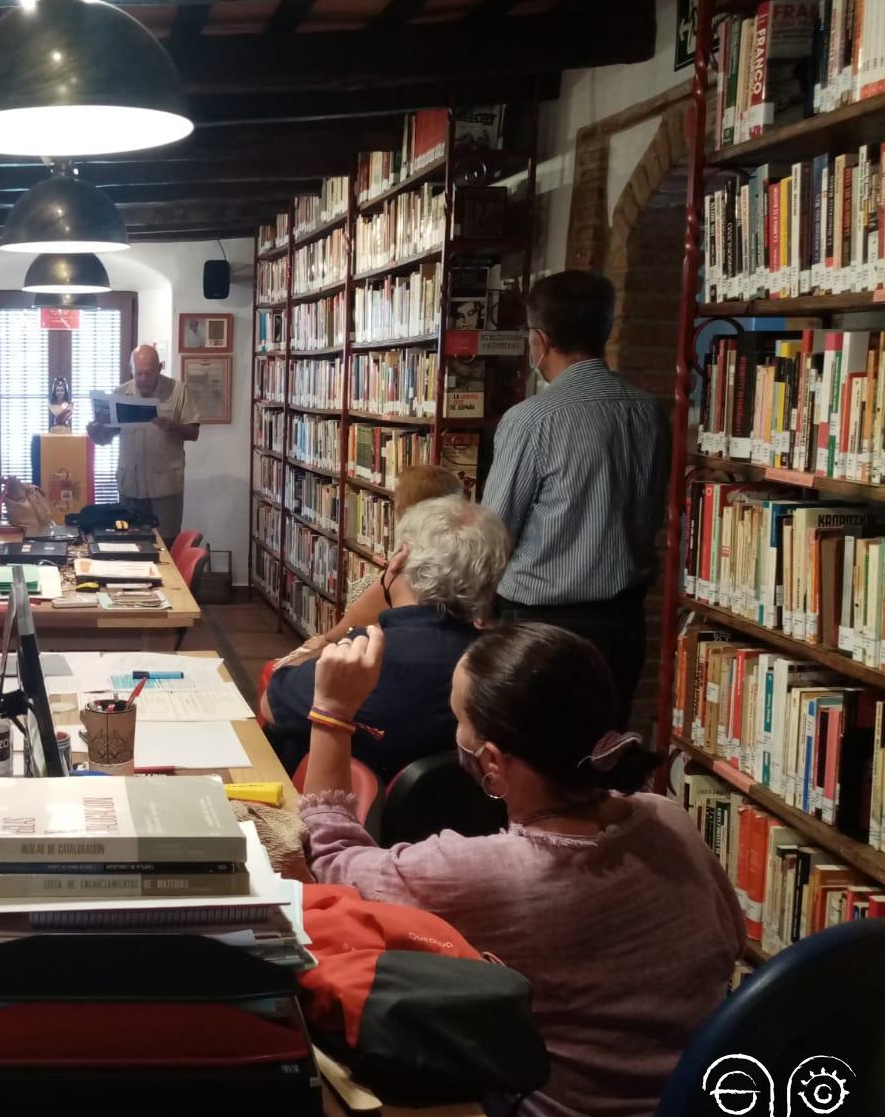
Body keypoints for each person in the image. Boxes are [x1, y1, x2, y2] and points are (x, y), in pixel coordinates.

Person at [298, 623, 742, 1117]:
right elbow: (731, 939)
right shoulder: (670, 821)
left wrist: (332, 711)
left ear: (490, 763)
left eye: (458, 719)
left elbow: (330, 859)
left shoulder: (493, 872)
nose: (453, 733)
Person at [482, 270, 668, 727]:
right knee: (603, 748)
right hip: (622, 622)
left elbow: (495, 529)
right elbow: (651, 509)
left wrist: (480, 606)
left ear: (540, 340)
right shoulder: (649, 411)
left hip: (540, 623)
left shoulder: (530, 420)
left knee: (535, 751)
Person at [260, 496, 509, 780]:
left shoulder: (365, 655)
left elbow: (270, 705)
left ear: (400, 558)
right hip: (454, 820)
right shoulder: (497, 663)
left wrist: (316, 652)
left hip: (335, 810)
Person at [276, 464, 465, 667]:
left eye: (396, 500)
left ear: (409, 509)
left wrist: (323, 645)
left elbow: (349, 629)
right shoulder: (468, 558)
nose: (392, 502)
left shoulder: (402, 569)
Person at [85, 344, 200, 539]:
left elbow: (193, 432)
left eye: (149, 373)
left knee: (166, 543)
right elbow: (106, 438)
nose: (143, 379)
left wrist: (170, 426)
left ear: (160, 368)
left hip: (165, 488)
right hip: (130, 485)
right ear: (131, 370)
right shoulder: (120, 394)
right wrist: (95, 432)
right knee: (131, 542)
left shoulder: (177, 391)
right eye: (139, 374)